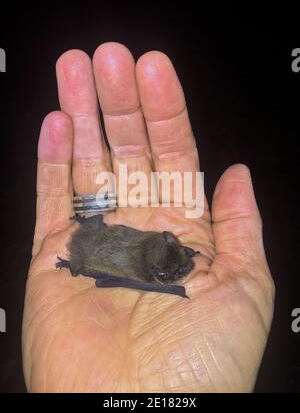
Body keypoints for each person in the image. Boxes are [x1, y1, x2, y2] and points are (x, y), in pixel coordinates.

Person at [22, 42, 275, 393]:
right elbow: (153, 256)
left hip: (98, 245)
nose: (184, 260)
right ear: (158, 274)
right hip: (96, 255)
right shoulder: (152, 268)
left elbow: (158, 244)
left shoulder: (158, 245)